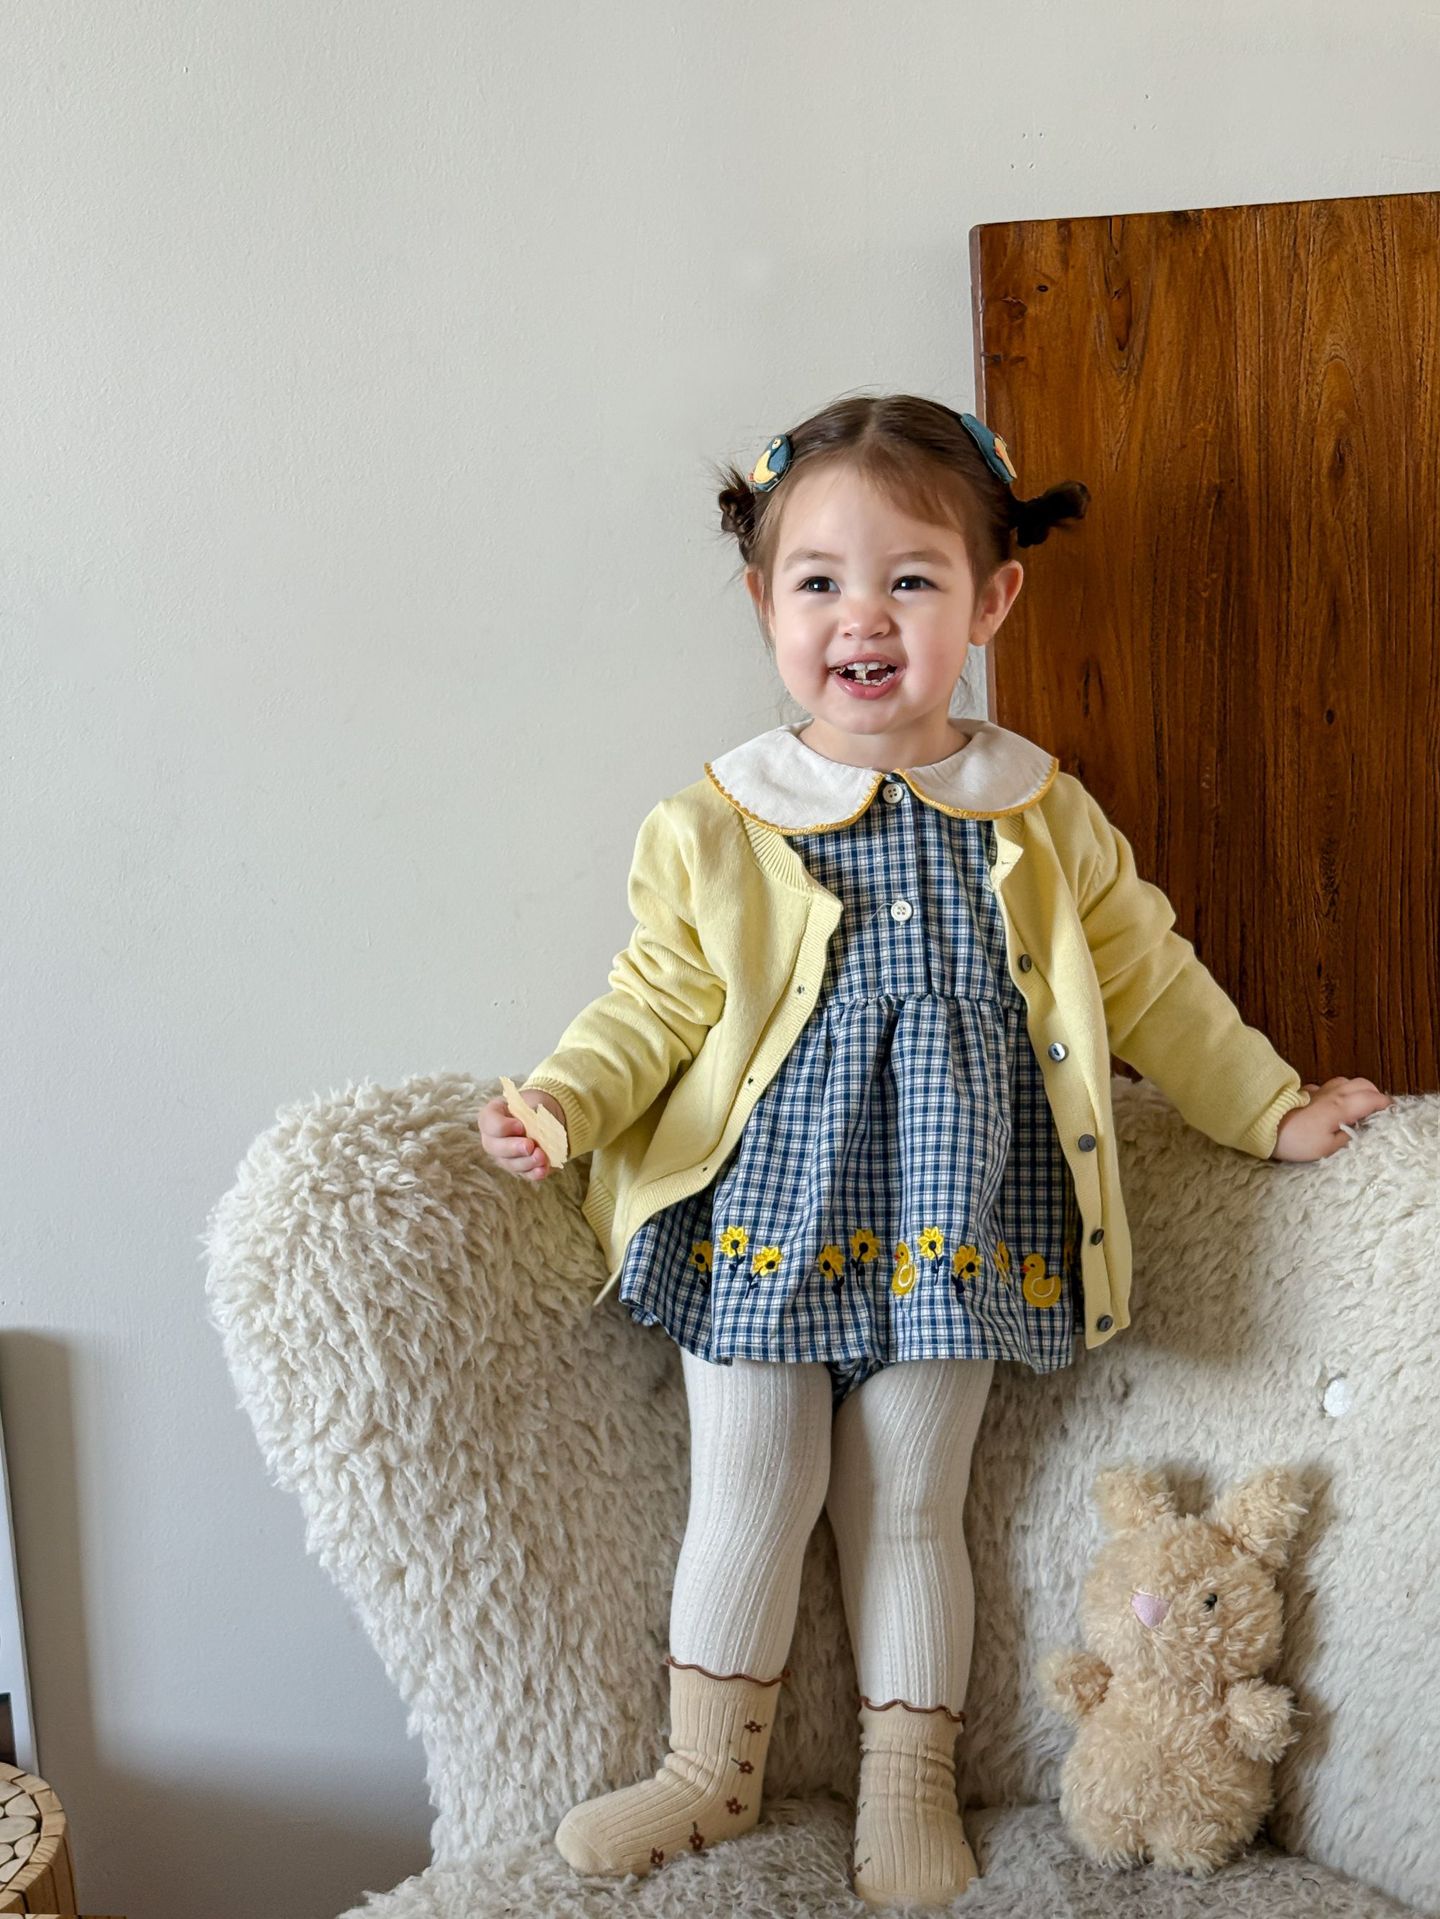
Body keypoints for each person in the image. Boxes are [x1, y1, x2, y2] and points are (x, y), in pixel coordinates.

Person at [476, 392, 1391, 1908]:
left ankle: (907, 1784)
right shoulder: (722, 821)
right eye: (818, 581)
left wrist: (1271, 1107)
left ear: (991, 600)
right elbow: (653, 1001)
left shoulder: (1040, 814)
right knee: (752, 1487)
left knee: (909, 1503)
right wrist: (565, 1103)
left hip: (953, 1221)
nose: (864, 616)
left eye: (911, 578)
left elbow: (1154, 981)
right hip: (763, 1218)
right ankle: (707, 1773)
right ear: (766, 604)